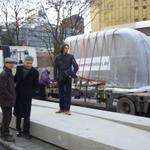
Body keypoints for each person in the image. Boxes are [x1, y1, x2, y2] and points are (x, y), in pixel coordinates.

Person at [13, 56, 39, 139]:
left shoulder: (35, 72)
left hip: (28, 96)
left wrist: (31, 93)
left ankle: (26, 132)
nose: (29, 65)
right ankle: (18, 130)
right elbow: (15, 79)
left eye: (30, 63)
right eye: (27, 63)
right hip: (19, 94)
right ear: (24, 62)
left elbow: (36, 85)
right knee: (18, 114)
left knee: (27, 115)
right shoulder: (19, 68)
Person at [54, 44, 78, 115]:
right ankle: (61, 108)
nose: (67, 49)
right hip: (60, 78)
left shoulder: (71, 57)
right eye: (65, 48)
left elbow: (76, 67)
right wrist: (55, 79)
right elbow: (55, 69)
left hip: (68, 77)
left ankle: (67, 109)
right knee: (61, 94)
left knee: (68, 93)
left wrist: (71, 74)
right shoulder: (57, 57)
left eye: (68, 48)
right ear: (62, 48)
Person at [0, 58, 16, 142]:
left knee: (7, 117)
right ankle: (4, 135)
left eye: (12, 63)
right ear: (5, 64)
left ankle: (3, 131)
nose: (11, 64)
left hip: (7, 100)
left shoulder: (8, 72)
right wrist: (11, 97)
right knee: (7, 117)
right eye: (9, 63)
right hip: (5, 100)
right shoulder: (4, 74)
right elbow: (3, 89)